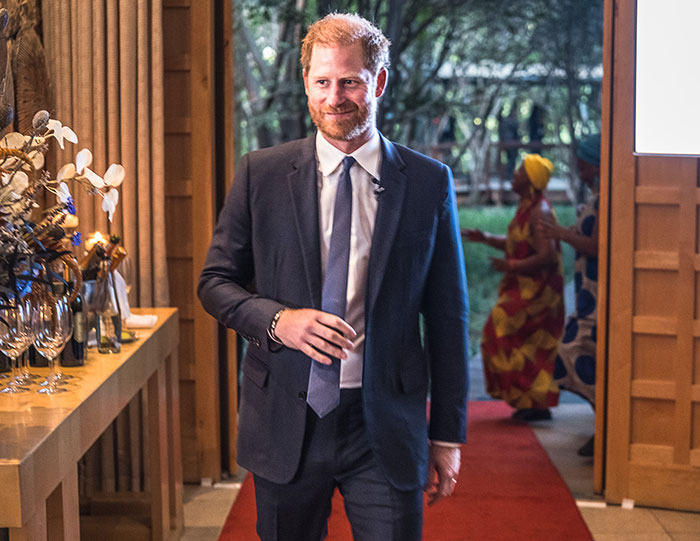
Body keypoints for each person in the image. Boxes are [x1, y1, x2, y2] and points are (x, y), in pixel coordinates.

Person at [198, 13, 469, 541]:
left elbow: (447, 316)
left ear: (379, 81)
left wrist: (447, 435)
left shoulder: (428, 183)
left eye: (350, 81)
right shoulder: (262, 174)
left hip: (384, 423)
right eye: (322, 82)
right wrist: (280, 322)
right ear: (306, 83)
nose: (334, 97)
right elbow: (215, 281)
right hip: (285, 420)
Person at [464, 154, 564, 421]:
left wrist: (513, 266)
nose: (514, 174)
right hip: (523, 287)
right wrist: (485, 238)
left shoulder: (539, 210)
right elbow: (516, 241)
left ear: (530, 179)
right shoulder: (527, 207)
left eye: (520, 171)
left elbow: (548, 254)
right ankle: (530, 402)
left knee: (503, 331)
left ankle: (535, 401)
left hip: (538, 293)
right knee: (518, 341)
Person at [539, 133, 600, 457]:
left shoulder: (606, 199)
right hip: (587, 291)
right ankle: (603, 424)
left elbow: (598, 245)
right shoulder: (596, 196)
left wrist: (560, 234)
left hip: (600, 292)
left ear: (595, 162)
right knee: (575, 353)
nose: (577, 166)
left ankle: (606, 425)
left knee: (573, 352)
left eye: (582, 160)